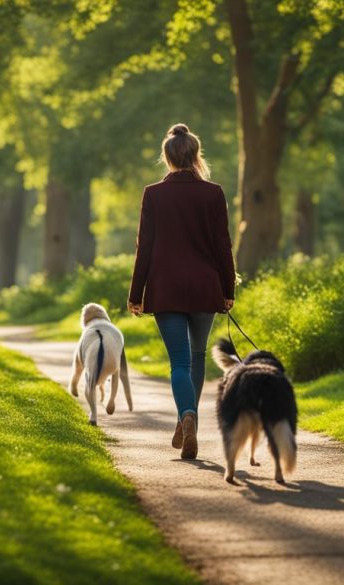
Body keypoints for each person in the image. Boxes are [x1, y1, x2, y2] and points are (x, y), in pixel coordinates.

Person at [127, 123, 237, 460]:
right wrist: (228, 287)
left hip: (166, 288)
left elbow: (144, 247)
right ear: (196, 154)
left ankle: (185, 416)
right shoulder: (213, 193)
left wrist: (136, 293)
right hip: (206, 287)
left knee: (178, 363)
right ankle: (188, 419)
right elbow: (223, 245)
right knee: (197, 356)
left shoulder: (154, 194)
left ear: (168, 157)